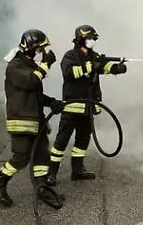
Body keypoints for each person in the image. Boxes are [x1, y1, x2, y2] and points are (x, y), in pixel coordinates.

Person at [0, 28, 66, 209]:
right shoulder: (15, 66)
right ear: (29, 47)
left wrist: (52, 102)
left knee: (42, 155)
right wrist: (46, 64)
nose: (43, 53)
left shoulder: (30, 66)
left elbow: (34, 93)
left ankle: (42, 188)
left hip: (35, 120)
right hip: (22, 120)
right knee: (21, 157)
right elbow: (30, 82)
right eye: (40, 49)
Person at [45, 24, 127, 184]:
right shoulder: (70, 56)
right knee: (61, 141)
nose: (92, 41)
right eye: (89, 38)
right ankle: (51, 173)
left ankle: (77, 170)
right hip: (72, 107)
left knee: (82, 140)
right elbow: (69, 73)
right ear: (80, 40)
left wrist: (117, 68)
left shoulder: (94, 56)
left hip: (88, 108)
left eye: (93, 39)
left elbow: (104, 66)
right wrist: (90, 66)